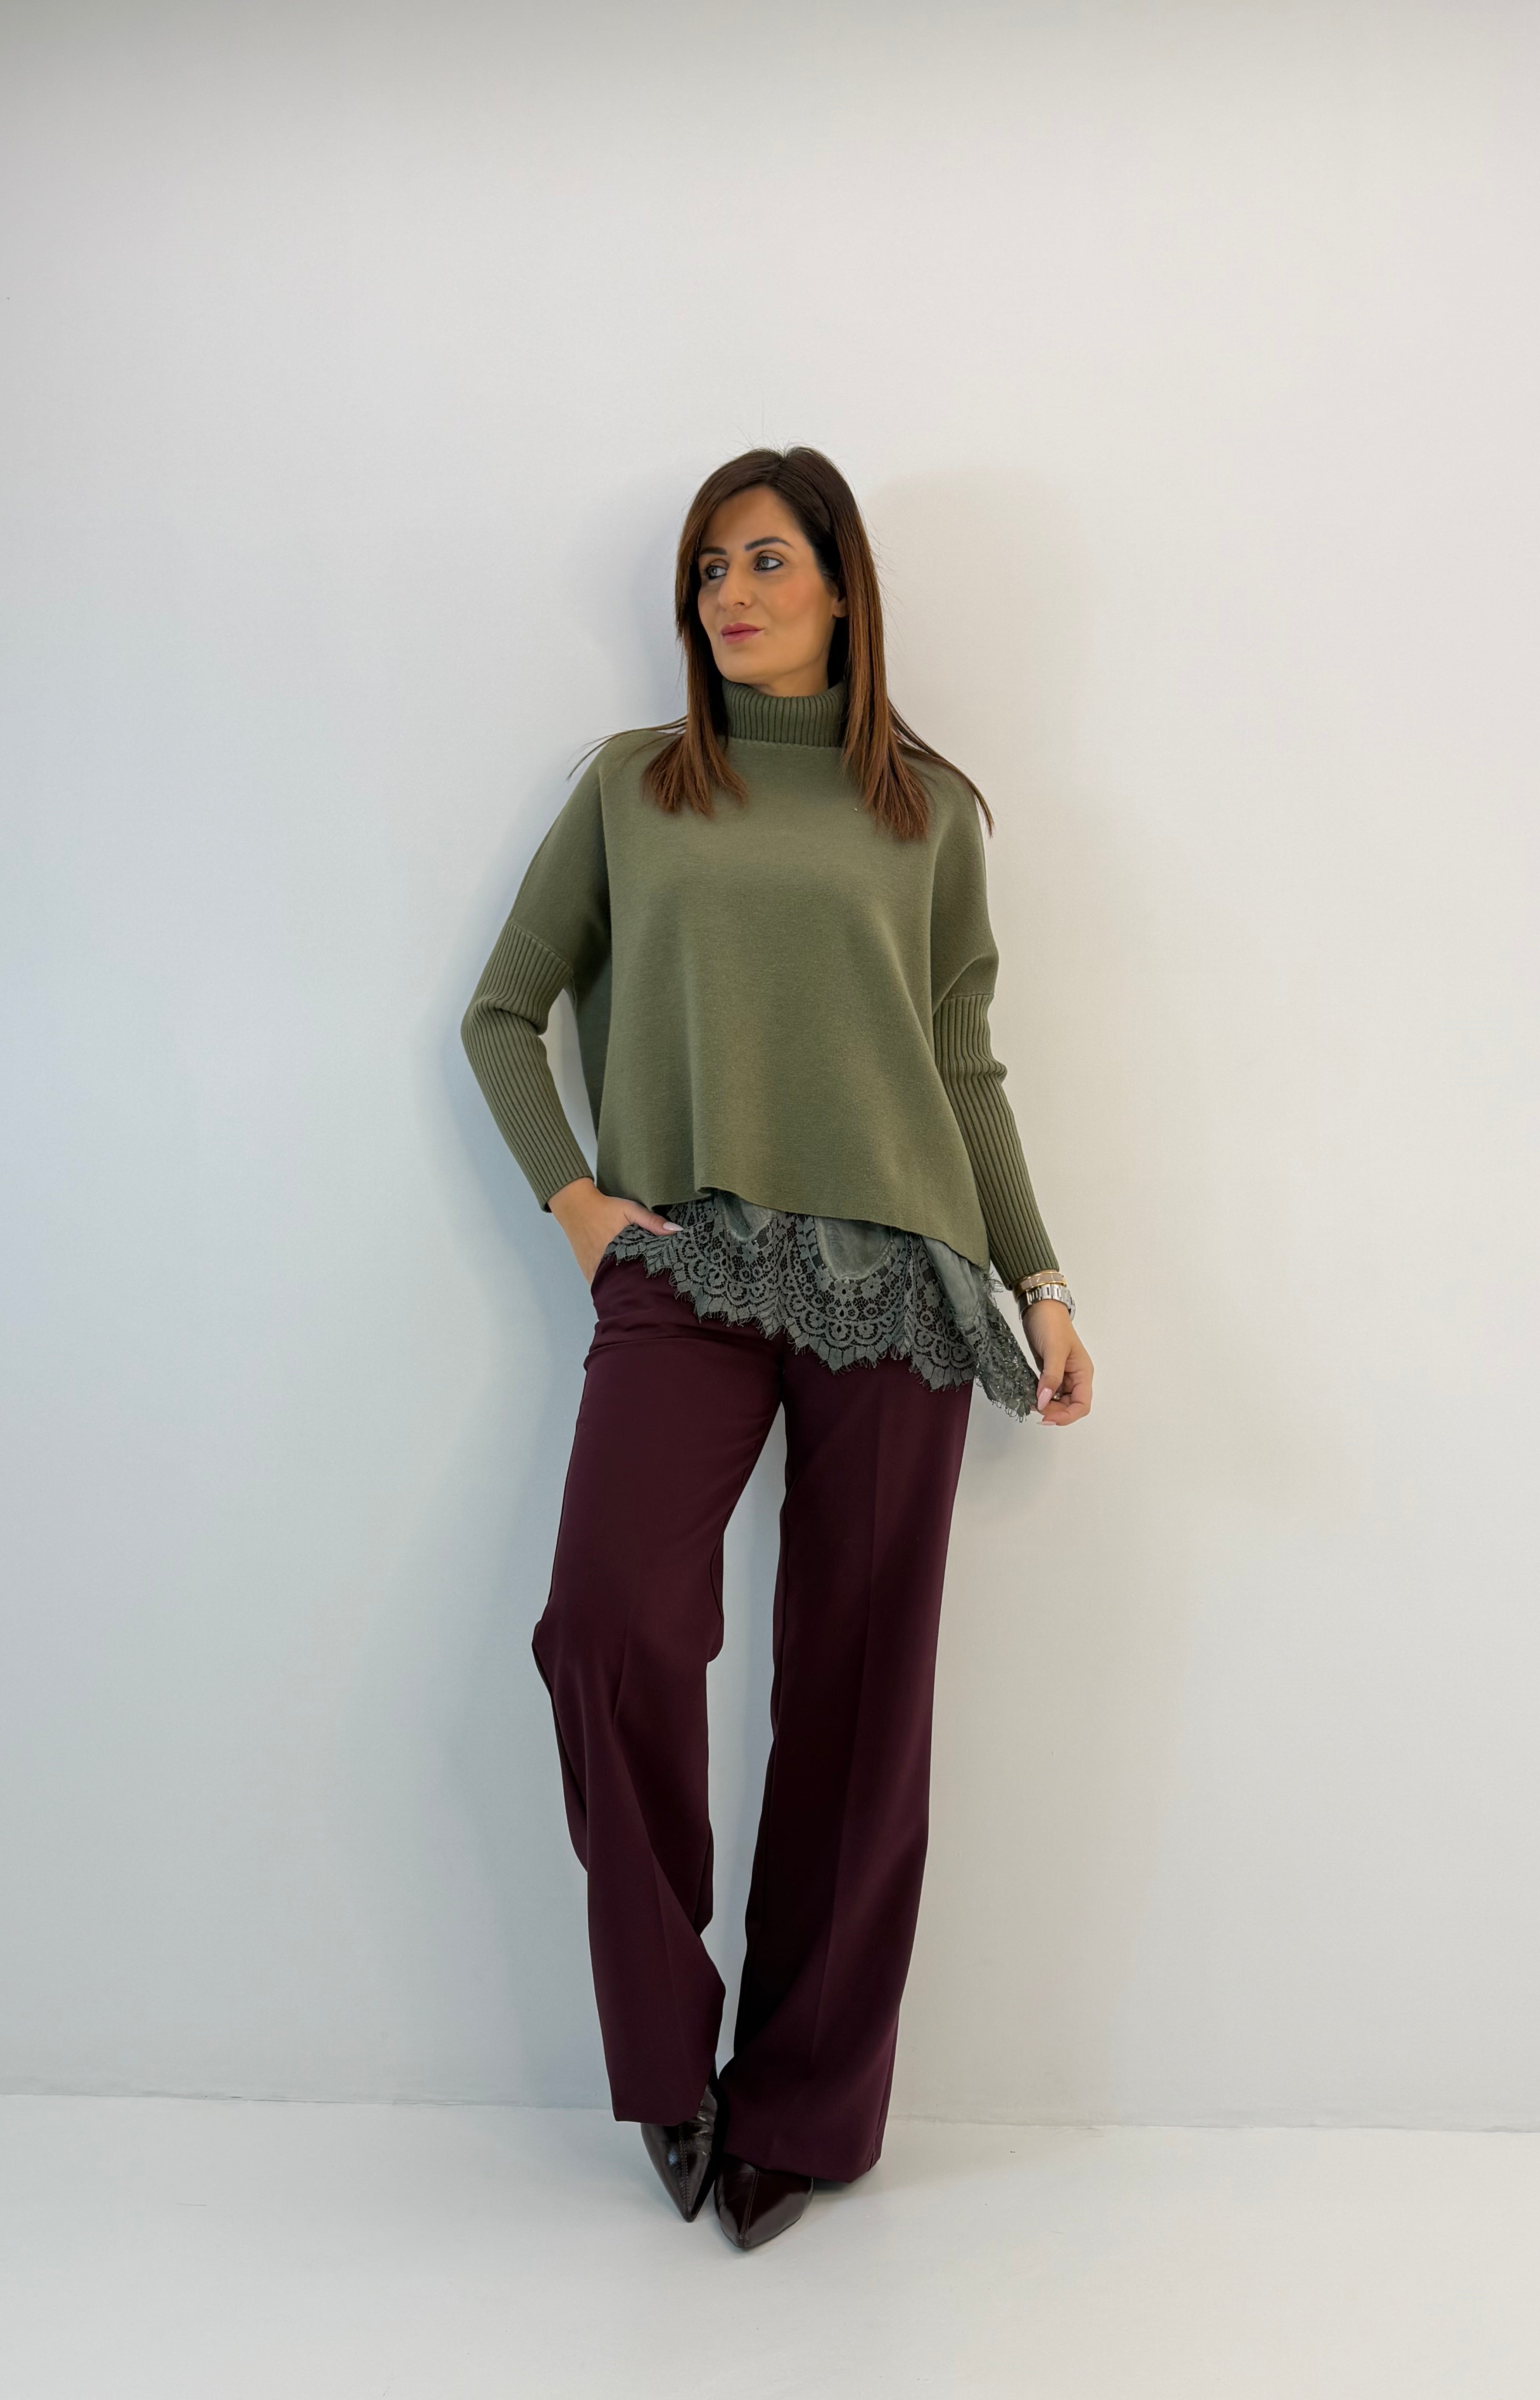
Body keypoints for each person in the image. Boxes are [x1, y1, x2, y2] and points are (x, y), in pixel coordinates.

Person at [460, 445, 1093, 2250]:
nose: (728, 596)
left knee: (860, 1693)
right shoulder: (636, 787)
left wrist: (1040, 1280)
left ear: (838, 585)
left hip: (902, 1282)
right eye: (706, 570)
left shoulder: (928, 812)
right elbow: (503, 1014)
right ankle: (669, 2060)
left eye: (762, 562)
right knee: (608, 1624)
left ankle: (804, 2108)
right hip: (688, 1260)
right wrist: (581, 1208)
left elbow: (962, 1065)